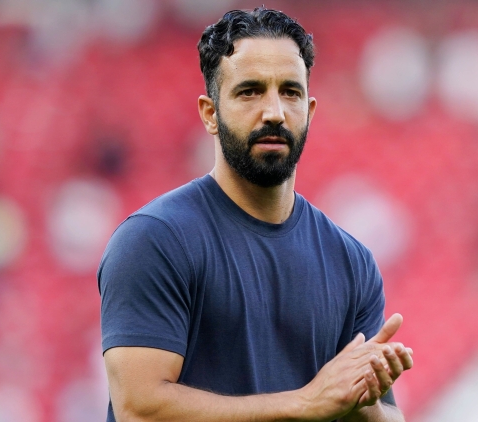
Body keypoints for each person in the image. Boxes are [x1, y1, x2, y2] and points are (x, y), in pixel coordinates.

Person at [98, 7, 414, 422]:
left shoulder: (351, 262)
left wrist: (362, 398)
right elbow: (141, 411)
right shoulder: (155, 240)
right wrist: (305, 403)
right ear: (210, 114)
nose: (274, 112)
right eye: (250, 91)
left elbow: (381, 415)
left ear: (309, 111)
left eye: (290, 92)